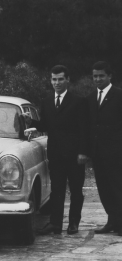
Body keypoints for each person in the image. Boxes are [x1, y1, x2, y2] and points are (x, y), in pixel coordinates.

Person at [24, 65, 89, 235]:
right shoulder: (47, 101)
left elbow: (84, 129)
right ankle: (55, 224)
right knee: (57, 190)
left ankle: (73, 223)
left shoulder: (78, 101)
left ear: (68, 80)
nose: (57, 83)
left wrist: (83, 152)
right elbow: (46, 125)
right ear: (50, 80)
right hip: (56, 154)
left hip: (75, 155)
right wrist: (31, 122)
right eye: (54, 79)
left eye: (60, 79)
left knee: (76, 190)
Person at [87, 61, 122, 236]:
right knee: (104, 188)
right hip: (97, 152)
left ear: (109, 76)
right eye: (95, 76)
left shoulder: (119, 95)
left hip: (116, 152)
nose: (98, 79)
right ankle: (112, 221)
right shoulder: (91, 97)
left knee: (117, 188)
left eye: (101, 76)